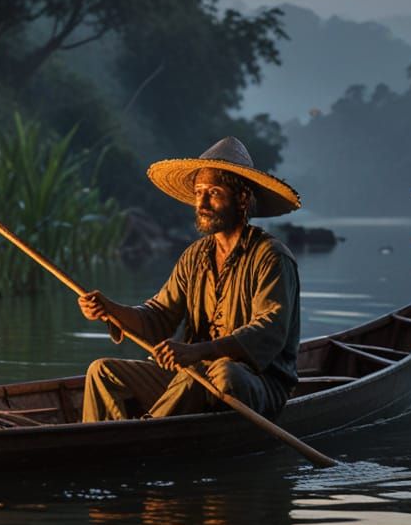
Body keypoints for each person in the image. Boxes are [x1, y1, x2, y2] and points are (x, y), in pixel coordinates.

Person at [78, 136, 301, 422]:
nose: (203, 203)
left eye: (214, 193)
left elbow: (268, 332)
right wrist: (111, 310)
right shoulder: (195, 257)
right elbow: (157, 317)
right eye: (199, 192)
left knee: (218, 371)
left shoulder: (271, 257)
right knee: (101, 370)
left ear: (242, 199)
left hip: (257, 384)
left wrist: (199, 352)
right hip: (192, 377)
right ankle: (104, 443)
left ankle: (145, 433)